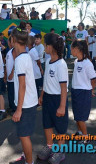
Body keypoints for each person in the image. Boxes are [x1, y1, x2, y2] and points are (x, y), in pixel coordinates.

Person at [38, 33, 68, 164]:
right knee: (47, 124)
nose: (44, 46)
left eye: (46, 44)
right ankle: (49, 147)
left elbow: (63, 88)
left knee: (60, 128)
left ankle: (60, 151)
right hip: (48, 98)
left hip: (57, 99)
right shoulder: (48, 61)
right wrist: (42, 95)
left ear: (51, 46)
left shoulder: (61, 64)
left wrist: (62, 106)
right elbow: (46, 81)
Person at [10, 27, 38, 164]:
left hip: (25, 104)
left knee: (24, 135)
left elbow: (22, 85)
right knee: (24, 135)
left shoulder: (21, 59)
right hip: (29, 101)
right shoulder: (24, 56)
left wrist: (19, 109)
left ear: (13, 40)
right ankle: (26, 155)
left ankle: (29, 161)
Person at [71, 40, 96, 144]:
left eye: (72, 48)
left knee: (81, 117)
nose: (71, 50)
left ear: (77, 49)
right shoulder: (77, 61)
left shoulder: (87, 63)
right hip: (75, 91)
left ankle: (85, 138)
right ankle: (80, 132)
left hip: (83, 92)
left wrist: (91, 89)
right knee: (77, 115)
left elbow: (93, 79)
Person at [6, 36, 16, 114]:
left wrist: (12, 73)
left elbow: (16, 63)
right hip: (9, 77)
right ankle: (11, 107)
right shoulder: (9, 51)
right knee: (10, 93)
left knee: (13, 93)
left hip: (13, 78)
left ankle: (14, 108)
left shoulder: (14, 51)